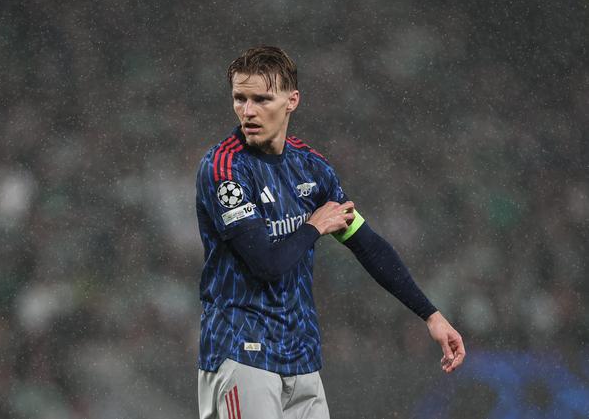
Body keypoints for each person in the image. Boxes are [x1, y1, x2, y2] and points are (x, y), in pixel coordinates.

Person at [195, 46, 465, 419]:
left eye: (261, 99)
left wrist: (431, 315)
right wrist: (314, 226)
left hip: (302, 358)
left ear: (292, 101)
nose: (248, 110)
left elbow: (367, 245)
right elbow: (266, 264)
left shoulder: (312, 168)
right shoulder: (224, 169)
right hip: (242, 352)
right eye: (240, 98)